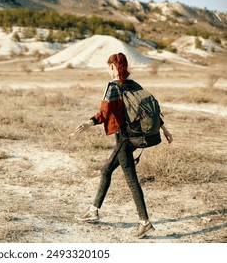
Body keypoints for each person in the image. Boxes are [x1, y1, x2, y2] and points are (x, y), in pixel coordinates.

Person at [74, 52, 173, 239]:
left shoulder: (113, 87)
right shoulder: (134, 84)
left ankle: (144, 222)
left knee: (131, 179)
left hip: (125, 139)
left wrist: (89, 123)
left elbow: (104, 112)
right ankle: (94, 210)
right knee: (106, 170)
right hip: (136, 137)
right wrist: (164, 130)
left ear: (113, 67)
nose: (108, 70)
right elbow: (149, 111)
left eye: (108, 67)